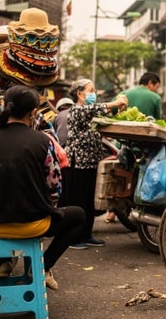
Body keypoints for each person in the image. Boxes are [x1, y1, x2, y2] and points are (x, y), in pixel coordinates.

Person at [0, 85, 86, 290]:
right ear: (34, 112)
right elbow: (55, 187)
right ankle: (43, 266)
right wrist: (46, 207)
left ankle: (2, 263)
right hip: (32, 224)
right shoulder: (43, 141)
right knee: (78, 216)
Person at [64, 79, 128, 250]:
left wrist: (119, 109)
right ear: (79, 93)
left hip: (92, 162)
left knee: (87, 201)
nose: (93, 94)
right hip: (78, 163)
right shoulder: (77, 110)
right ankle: (72, 238)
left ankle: (86, 234)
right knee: (77, 202)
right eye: (90, 90)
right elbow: (96, 108)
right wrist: (116, 102)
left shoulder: (91, 112)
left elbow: (106, 119)